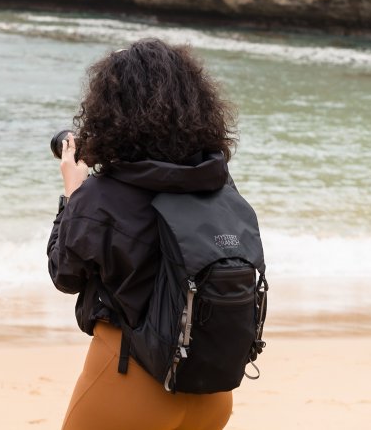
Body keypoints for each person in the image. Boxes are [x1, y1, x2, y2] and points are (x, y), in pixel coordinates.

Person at [47, 38, 238, 430]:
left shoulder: (101, 196)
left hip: (131, 384)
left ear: (109, 110)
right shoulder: (219, 185)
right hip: (212, 387)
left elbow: (64, 273)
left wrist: (73, 195)